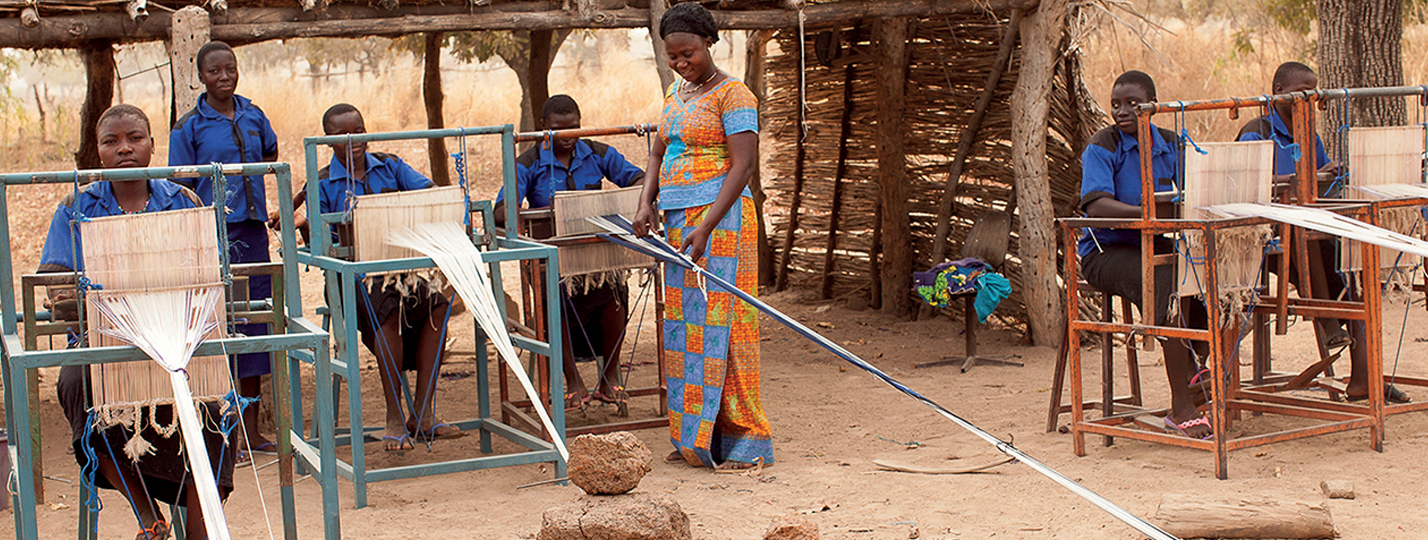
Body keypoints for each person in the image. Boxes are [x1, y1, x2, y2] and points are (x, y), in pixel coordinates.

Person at [45, 104, 231, 540]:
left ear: (151, 145)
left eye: (135, 138)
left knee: (216, 398)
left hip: (179, 339)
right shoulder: (76, 206)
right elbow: (56, 284)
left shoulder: (183, 202)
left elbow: (211, 270)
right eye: (111, 142)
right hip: (105, 338)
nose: (124, 148)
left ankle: (200, 529)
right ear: (98, 151)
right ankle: (149, 518)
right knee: (77, 386)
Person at [632, 2, 773, 470]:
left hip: (721, 223)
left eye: (687, 53)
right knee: (686, 330)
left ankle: (745, 440)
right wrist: (645, 202)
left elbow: (744, 165)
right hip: (678, 227)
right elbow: (658, 153)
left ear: (708, 42)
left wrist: (705, 225)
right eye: (672, 56)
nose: (680, 63)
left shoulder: (735, 96)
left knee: (727, 325)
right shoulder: (677, 95)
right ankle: (697, 438)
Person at [1236, 61, 1410, 403]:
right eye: (1302, 91)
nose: (1309, 99)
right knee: (1303, 232)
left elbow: (1319, 187)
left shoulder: (1308, 134)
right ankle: (1328, 321)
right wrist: (1305, 181)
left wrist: (1330, 173)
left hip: (1307, 227)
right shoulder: (1256, 131)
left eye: (1313, 93)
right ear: (1279, 91)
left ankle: (1365, 377)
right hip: (1266, 233)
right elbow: (1248, 186)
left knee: (1357, 269)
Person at [312, 103, 462, 451]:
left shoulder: (391, 166)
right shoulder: (322, 182)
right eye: (342, 135)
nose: (354, 140)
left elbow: (426, 192)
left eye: (359, 130)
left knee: (440, 303)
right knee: (388, 307)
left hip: (402, 271)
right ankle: (395, 415)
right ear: (328, 140)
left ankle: (423, 412)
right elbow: (321, 242)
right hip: (355, 279)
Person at [1077, 71, 1213, 439]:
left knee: (1206, 275)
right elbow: (1096, 206)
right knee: (1167, 282)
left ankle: (1196, 359)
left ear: (1153, 105)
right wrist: (1147, 214)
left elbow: (1196, 188)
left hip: (1152, 243)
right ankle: (1181, 404)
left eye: (1133, 104)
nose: (1122, 112)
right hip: (1107, 250)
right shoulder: (1102, 146)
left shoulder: (1171, 143)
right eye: (1116, 105)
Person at [493, 94, 646, 408]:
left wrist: (631, 201)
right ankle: (572, 380)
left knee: (616, 293)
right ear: (543, 127)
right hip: (555, 261)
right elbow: (501, 209)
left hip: (597, 256)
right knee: (553, 303)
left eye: (574, 128)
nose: (567, 137)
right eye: (559, 130)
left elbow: (639, 179)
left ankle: (609, 377)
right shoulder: (527, 163)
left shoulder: (597, 152)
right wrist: (529, 214)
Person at [168, 40, 280, 455]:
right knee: (213, 326)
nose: (224, 76)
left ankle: (250, 433)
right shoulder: (188, 127)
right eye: (215, 71)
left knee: (253, 324)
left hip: (252, 232)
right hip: (209, 237)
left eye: (230, 68)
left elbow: (270, 153)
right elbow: (178, 185)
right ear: (201, 77)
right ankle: (218, 436)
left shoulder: (255, 115)